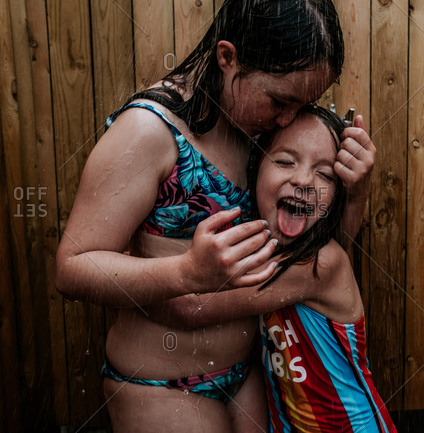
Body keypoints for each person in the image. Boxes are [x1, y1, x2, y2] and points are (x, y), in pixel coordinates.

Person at [54, 1, 375, 432]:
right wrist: (184, 272)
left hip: (248, 378)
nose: (287, 118)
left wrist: (355, 194)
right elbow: (73, 267)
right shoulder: (150, 134)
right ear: (228, 58)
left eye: (302, 105)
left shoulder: (266, 132)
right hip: (160, 385)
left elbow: (318, 260)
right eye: (280, 100)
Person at [151, 104, 397, 432]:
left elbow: (190, 307)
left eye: (325, 174)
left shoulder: (323, 263)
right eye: (284, 162)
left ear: (334, 199)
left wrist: (135, 259)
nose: (304, 180)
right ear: (254, 172)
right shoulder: (279, 252)